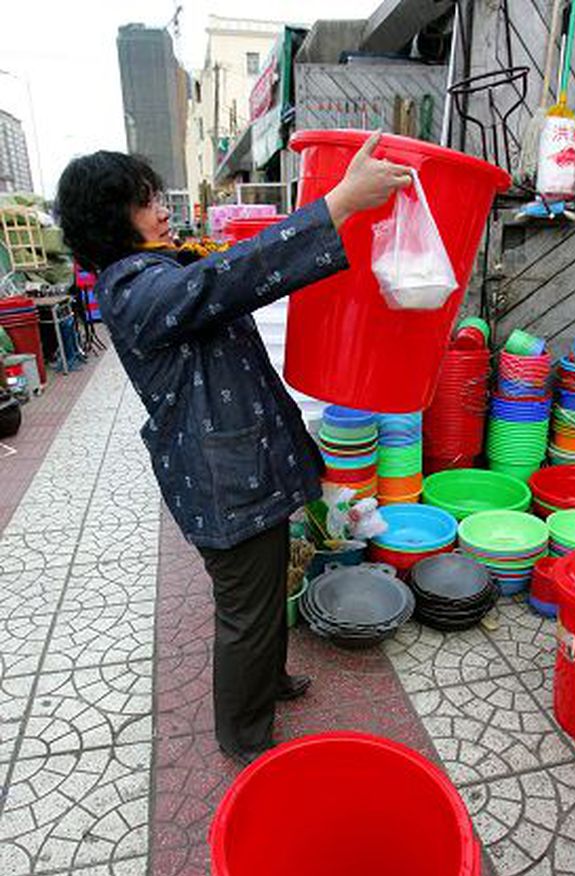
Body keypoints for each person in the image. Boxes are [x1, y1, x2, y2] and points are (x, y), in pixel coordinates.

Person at [56, 134, 411, 764]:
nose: (162, 208)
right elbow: (232, 276)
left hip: (247, 465)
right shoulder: (134, 290)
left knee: (267, 584)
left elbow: (226, 270)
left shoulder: (161, 267)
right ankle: (245, 738)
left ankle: (267, 682)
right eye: (145, 202)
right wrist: (340, 204)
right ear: (113, 219)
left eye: (156, 195)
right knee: (245, 612)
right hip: (224, 480)